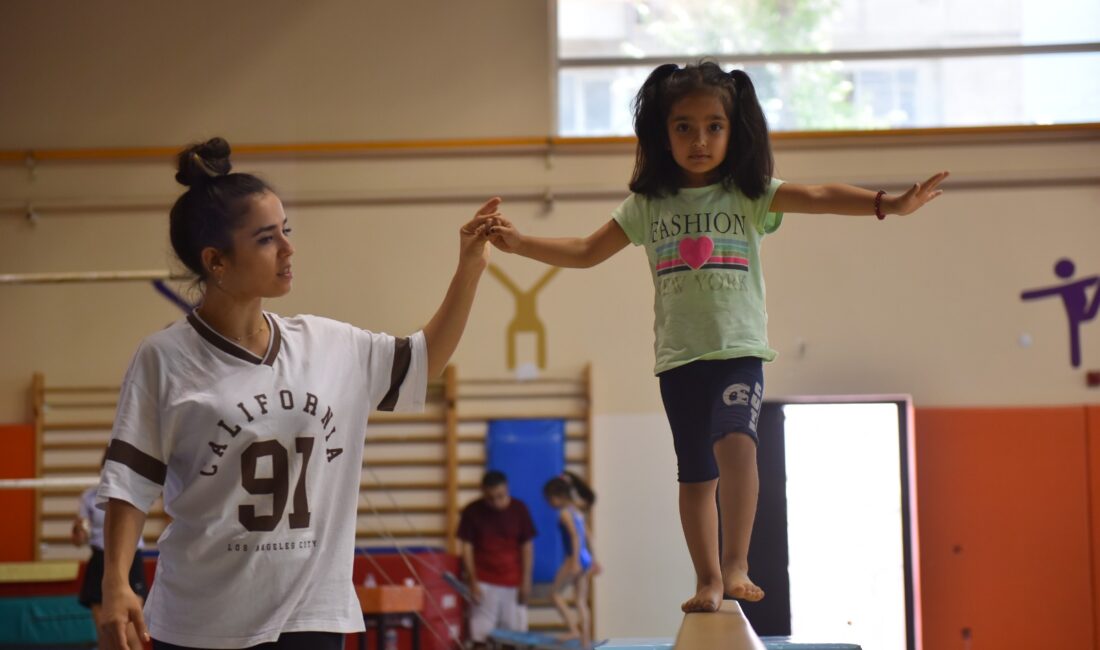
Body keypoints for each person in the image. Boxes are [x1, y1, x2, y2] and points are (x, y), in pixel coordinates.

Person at [479, 61, 948, 613]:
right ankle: (706, 579)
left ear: (734, 130)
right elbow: (585, 251)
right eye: (684, 127)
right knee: (696, 475)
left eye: (714, 126)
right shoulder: (648, 205)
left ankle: (735, 565)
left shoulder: (746, 194)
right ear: (663, 132)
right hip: (679, 359)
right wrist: (521, 244)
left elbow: (818, 194)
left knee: (737, 445)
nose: (699, 140)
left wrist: (885, 204)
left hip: (738, 353)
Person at [96, 137, 497, 650]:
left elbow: (422, 362)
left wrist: (469, 267)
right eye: (267, 238)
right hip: (201, 623)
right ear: (216, 261)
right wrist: (114, 584)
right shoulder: (164, 358)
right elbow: (130, 484)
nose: (288, 248)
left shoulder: (329, 343)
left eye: (286, 230)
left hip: (313, 617)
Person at [72, 452, 148, 650]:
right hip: (100, 560)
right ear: (101, 470)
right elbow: (79, 540)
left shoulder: (134, 493)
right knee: (106, 634)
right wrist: (79, 532)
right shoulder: (88, 497)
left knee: (130, 634)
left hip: (131, 559)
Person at [456, 470, 536, 647]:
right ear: (483, 493)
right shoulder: (472, 511)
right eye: (490, 498)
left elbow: (527, 547)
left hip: (513, 581)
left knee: (514, 637)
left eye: (500, 496)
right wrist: (473, 581)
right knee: (480, 636)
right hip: (484, 581)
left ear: (507, 488)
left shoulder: (519, 509)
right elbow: (467, 548)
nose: (496, 502)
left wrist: (526, 581)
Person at [543, 474, 597, 648]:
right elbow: (588, 535)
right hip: (585, 557)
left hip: (573, 557)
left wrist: (574, 561)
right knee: (581, 601)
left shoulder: (565, 513)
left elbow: (575, 536)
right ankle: (585, 642)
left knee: (554, 594)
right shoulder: (578, 511)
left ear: (557, 497)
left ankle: (574, 629)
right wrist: (594, 559)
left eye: (549, 500)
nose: (549, 504)